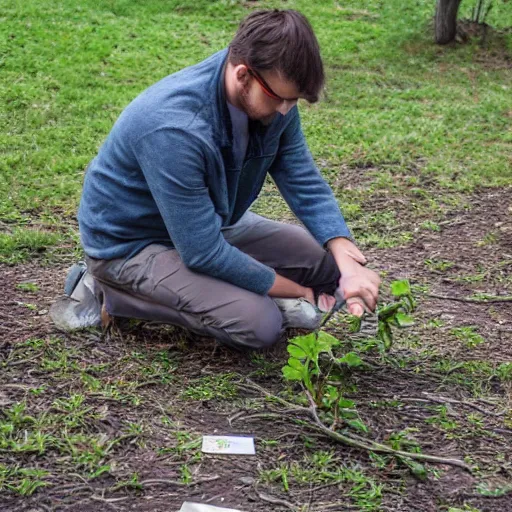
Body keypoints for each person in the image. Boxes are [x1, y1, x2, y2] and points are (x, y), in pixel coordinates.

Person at [50, 9, 381, 350]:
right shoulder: (174, 127)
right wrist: (297, 292)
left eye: (293, 100)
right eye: (280, 98)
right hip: (131, 245)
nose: (286, 109)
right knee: (259, 323)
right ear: (243, 75)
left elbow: (301, 177)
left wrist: (345, 258)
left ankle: (231, 289)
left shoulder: (270, 89)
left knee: (327, 265)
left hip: (207, 222)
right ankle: (112, 289)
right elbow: (204, 253)